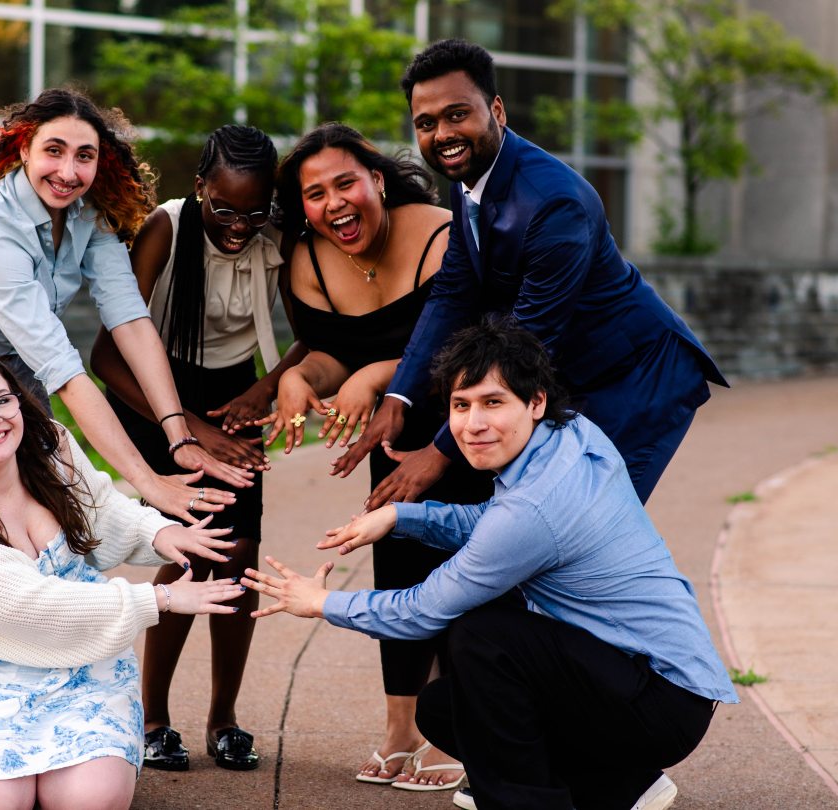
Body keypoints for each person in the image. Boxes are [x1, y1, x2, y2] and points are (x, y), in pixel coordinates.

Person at [0, 88, 250, 796]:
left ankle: (48, 682)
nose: (68, 170)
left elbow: (130, 323)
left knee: (56, 505)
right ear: (22, 149)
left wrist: (177, 438)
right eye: (54, 151)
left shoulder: (90, 217)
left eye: (85, 155)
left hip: (8, 364)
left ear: (103, 163)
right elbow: (65, 370)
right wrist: (152, 485)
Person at [245, 320, 738, 810]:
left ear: (535, 402)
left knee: (481, 635)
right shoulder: (569, 432)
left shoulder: (534, 509)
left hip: (660, 701)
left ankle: (527, 802)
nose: (473, 424)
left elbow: (424, 609)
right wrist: (400, 516)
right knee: (444, 710)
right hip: (647, 683)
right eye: (461, 405)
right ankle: (621, 786)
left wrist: (321, 603)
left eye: (493, 403)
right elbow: (493, 521)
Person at [335, 39, 727, 512]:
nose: (443, 134)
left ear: (497, 111)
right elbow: (453, 292)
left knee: (590, 528)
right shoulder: (468, 178)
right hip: (566, 377)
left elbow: (526, 341)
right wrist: (400, 396)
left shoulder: (554, 203)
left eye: (457, 114)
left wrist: (437, 454)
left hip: (634, 379)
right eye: (426, 123)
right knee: (544, 527)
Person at [0, 346, 246, 810]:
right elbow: (29, 605)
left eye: (3, 400)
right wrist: (159, 598)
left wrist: (161, 533)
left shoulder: (48, 448)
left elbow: (101, 507)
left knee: (89, 799)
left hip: (83, 667)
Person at [257, 122, 494, 791]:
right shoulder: (307, 260)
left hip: (468, 423)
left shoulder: (444, 234)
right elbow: (332, 350)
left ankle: (456, 726)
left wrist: (377, 377)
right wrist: (300, 379)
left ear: (378, 182)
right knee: (397, 559)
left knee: (464, 563)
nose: (333, 203)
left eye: (346, 184)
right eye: (314, 194)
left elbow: (468, 345)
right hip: (392, 436)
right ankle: (402, 728)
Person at [91, 124, 305, 771]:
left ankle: (224, 720)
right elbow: (107, 355)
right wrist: (185, 427)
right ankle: (152, 718)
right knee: (195, 551)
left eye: (254, 212)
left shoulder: (277, 235)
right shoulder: (167, 227)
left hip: (235, 394)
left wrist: (265, 389)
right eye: (224, 208)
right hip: (155, 394)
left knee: (239, 558)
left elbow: (320, 329)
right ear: (200, 187)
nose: (239, 226)